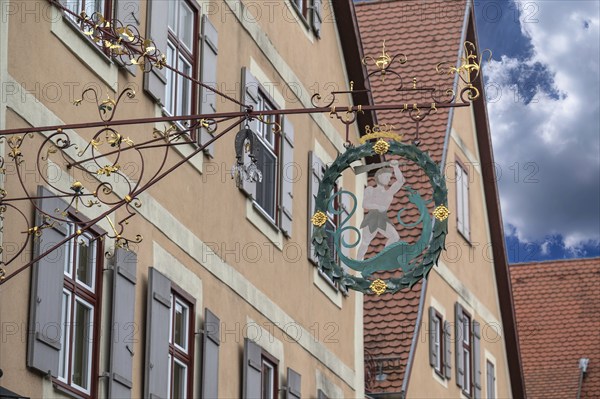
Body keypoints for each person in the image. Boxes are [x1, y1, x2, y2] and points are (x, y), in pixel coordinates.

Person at [357, 159, 405, 260]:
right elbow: (365, 204)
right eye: (387, 177)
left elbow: (401, 181)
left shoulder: (389, 192)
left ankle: (382, 257)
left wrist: (395, 167)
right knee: (365, 242)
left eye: (390, 177)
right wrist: (377, 206)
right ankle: (358, 260)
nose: (389, 180)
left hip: (383, 219)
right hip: (372, 218)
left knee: (395, 237)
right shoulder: (370, 190)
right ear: (379, 177)